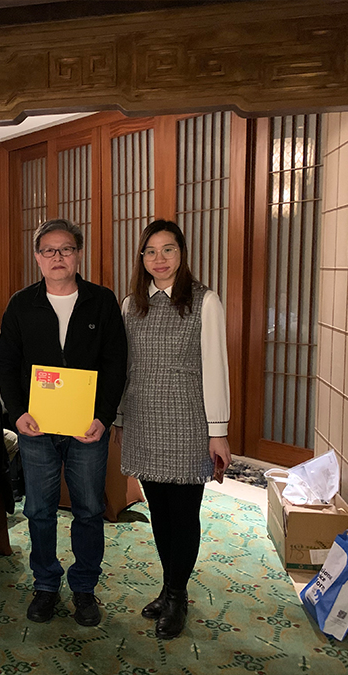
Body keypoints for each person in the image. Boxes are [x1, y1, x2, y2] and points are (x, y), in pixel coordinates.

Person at [0, 218, 127, 627]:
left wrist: (104, 417)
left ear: (78, 254)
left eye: (66, 249)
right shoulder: (22, 304)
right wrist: (17, 413)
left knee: (88, 508)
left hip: (87, 428)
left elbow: (116, 364)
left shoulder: (101, 301)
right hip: (36, 427)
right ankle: (46, 585)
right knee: (39, 509)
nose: (58, 257)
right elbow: (6, 364)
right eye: (49, 250)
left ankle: (85, 587)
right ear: (37, 257)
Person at [116, 219, 231, 640]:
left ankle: (178, 595)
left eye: (168, 249)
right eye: (150, 251)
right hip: (143, 419)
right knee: (160, 512)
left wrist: (218, 431)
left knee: (183, 514)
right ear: (141, 258)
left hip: (187, 422)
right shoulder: (131, 304)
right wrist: (120, 419)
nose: (159, 258)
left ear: (181, 254)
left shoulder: (204, 301)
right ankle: (168, 588)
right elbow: (125, 368)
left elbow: (215, 368)